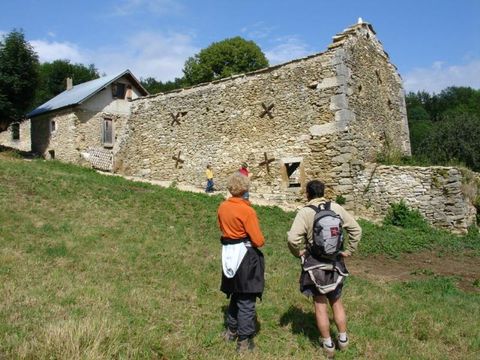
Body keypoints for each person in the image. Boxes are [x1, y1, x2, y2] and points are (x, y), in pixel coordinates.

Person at [287, 180, 361, 359]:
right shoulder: (336, 208)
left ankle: (328, 344)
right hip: (336, 262)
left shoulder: (305, 212)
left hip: (315, 263)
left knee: (320, 304)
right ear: (323, 192)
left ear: (307, 194)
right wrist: (349, 251)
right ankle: (343, 340)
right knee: (336, 301)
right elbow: (356, 230)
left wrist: (298, 253)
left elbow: (292, 239)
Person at [217, 172, 265, 353]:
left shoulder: (222, 207)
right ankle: (244, 341)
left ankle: (231, 330)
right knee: (246, 297)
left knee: (236, 294)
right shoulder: (247, 210)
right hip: (245, 256)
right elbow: (259, 240)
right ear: (245, 188)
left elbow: (222, 228)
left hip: (228, 253)